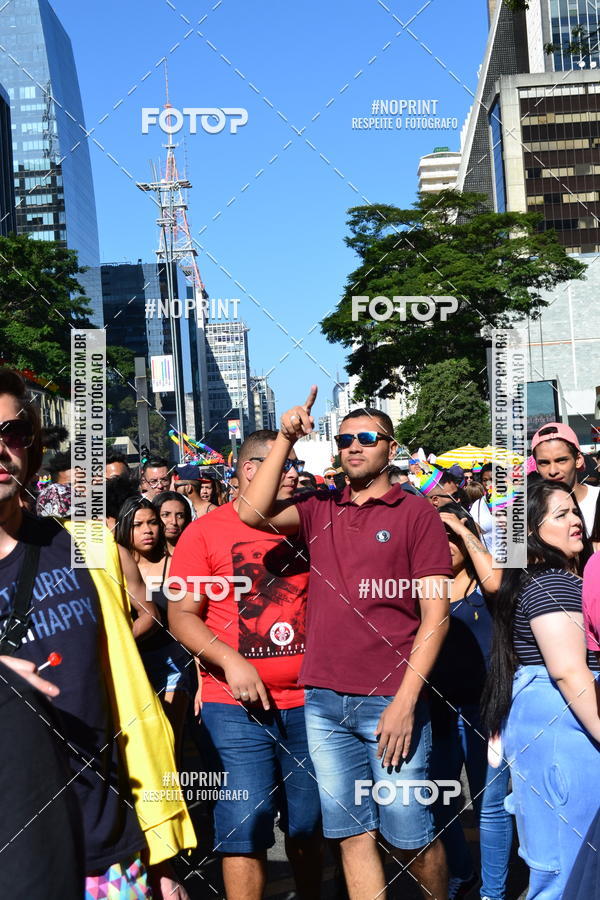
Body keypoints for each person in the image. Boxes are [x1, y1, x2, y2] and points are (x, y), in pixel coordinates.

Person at [238, 388, 453, 900]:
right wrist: (286, 439)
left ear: (391, 447)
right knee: (351, 835)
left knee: (410, 839)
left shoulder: (415, 513)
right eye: (343, 439)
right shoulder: (318, 507)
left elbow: (436, 617)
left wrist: (405, 703)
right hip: (323, 701)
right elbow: (251, 511)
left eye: (366, 438)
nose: (353, 447)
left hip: (390, 702)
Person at [0, 368, 195, 898]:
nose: (0, 450)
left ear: (31, 448)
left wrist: (160, 848)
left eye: (10, 433)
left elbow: (127, 700)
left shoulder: (89, 548)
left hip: (101, 847)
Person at [169, 429, 322, 900]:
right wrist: (230, 661)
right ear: (252, 470)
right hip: (233, 706)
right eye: (286, 463)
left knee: (310, 822)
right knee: (244, 822)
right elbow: (180, 615)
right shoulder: (204, 531)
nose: (295, 473)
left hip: (313, 702)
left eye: (295, 463)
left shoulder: (310, 523)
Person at [483, 480, 600, 899]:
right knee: (570, 873)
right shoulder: (554, 584)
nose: (575, 522)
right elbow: (570, 671)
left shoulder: (535, 580)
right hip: (565, 731)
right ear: (531, 531)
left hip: (551, 727)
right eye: (561, 514)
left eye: (575, 512)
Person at [430, 510, 512, 900]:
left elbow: (497, 581)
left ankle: (493, 891)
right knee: (442, 803)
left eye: (451, 537)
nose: (444, 545)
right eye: (436, 536)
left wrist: (462, 527)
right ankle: (463, 873)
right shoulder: (425, 588)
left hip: (487, 711)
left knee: (490, 807)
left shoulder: (489, 585)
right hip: (438, 712)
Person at [115, 495, 194, 751]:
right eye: (138, 525)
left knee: (170, 743)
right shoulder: (114, 566)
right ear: (125, 527)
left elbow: (196, 619)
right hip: (132, 666)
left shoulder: (176, 564)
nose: (147, 530)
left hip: (173, 665)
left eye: (152, 522)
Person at [531, 422, 600, 537]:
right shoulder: (532, 512)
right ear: (536, 467)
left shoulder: (597, 498)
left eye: (561, 460)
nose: (553, 471)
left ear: (578, 460)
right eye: (544, 463)